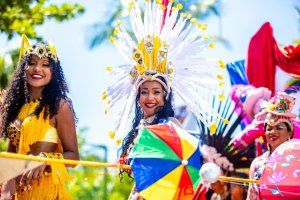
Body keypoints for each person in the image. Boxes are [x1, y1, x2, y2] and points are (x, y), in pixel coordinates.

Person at [103, 0, 226, 199]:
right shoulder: (139, 126)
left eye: (156, 92)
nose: (150, 97)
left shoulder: (171, 125)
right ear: (137, 96)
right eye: (144, 92)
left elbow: (182, 162)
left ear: (165, 96)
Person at [0, 35, 79, 200]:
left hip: (47, 192)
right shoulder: (17, 106)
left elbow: (73, 158)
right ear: (24, 68)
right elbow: (12, 154)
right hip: (19, 194)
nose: (37, 69)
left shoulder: (60, 106)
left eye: (45, 65)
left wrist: (46, 158)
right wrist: (7, 185)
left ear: (53, 72)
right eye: (32, 63)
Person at [246, 92, 297, 200]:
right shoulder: (257, 163)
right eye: (269, 129)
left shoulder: (297, 160)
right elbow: (252, 196)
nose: (273, 132)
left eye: (279, 128)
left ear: (289, 133)